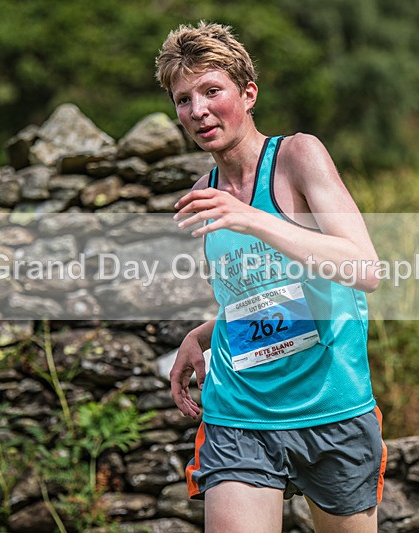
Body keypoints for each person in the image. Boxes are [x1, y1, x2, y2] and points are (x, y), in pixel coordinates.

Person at [156, 21, 387, 533]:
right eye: (183, 99)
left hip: (332, 406)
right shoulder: (205, 190)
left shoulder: (297, 156)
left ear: (249, 93)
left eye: (212, 91)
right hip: (241, 414)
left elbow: (364, 268)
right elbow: (262, 293)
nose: (198, 111)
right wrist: (205, 333)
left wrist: (253, 217)